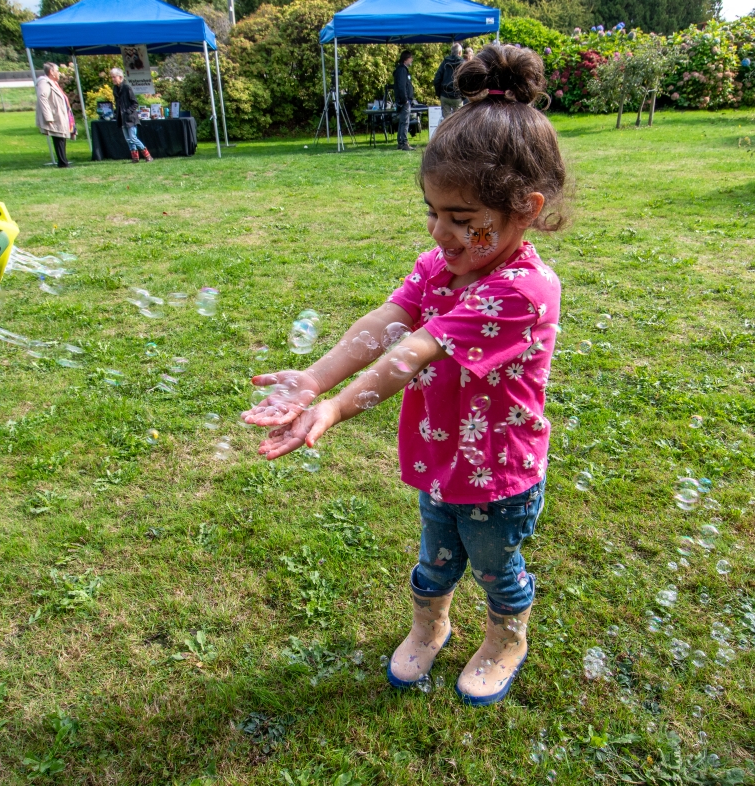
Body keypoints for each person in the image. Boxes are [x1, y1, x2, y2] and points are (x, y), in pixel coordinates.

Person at [243, 43, 568, 706]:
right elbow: (388, 321)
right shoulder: (442, 265)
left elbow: (412, 351)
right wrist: (314, 377)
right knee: (434, 562)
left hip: (497, 471)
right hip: (440, 455)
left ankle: (506, 638)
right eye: (433, 213)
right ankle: (432, 627)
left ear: (526, 209)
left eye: (463, 221)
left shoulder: (522, 291)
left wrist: (335, 410)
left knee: (497, 568)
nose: (442, 235)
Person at [35, 62, 75, 168]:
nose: (59, 73)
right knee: (59, 137)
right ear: (51, 72)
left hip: (60, 114)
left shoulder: (53, 82)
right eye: (57, 71)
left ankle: (63, 161)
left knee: (61, 137)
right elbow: (42, 98)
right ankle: (62, 162)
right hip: (54, 115)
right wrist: (48, 117)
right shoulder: (44, 83)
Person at [111, 68, 152, 163]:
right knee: (128, 139)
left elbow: (135, 103)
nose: (113, 79)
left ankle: (148, 156)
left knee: (133, 137)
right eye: (112, 77)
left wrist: (127, 111)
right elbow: (118, 103)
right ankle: (135, 158)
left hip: (130, 118)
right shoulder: (115, 89)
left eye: (114, 77)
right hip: (121, 118)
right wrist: (116, 112)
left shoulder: (126, 88)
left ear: (120, 77)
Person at [433, 43, 465, 118]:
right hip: (457, 96)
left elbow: (437, 79)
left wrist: (439, 94)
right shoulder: (463, 64)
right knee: (457, 121)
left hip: (445, 95)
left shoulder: (445, 62)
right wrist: (463, 96)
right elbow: (466, 81)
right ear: (460, 53)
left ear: (451, 52)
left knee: (446, 122)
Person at [393, 50, 415, 151]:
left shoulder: (401, 70)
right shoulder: (402, 70)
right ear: (406, 59)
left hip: (403, 100)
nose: (412, 60)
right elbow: (402, 86)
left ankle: (400, 142)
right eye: (410, 58)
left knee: (402, 121)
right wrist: (405, 99)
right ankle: (404, 142)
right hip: (404, 101)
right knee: (405, 121)